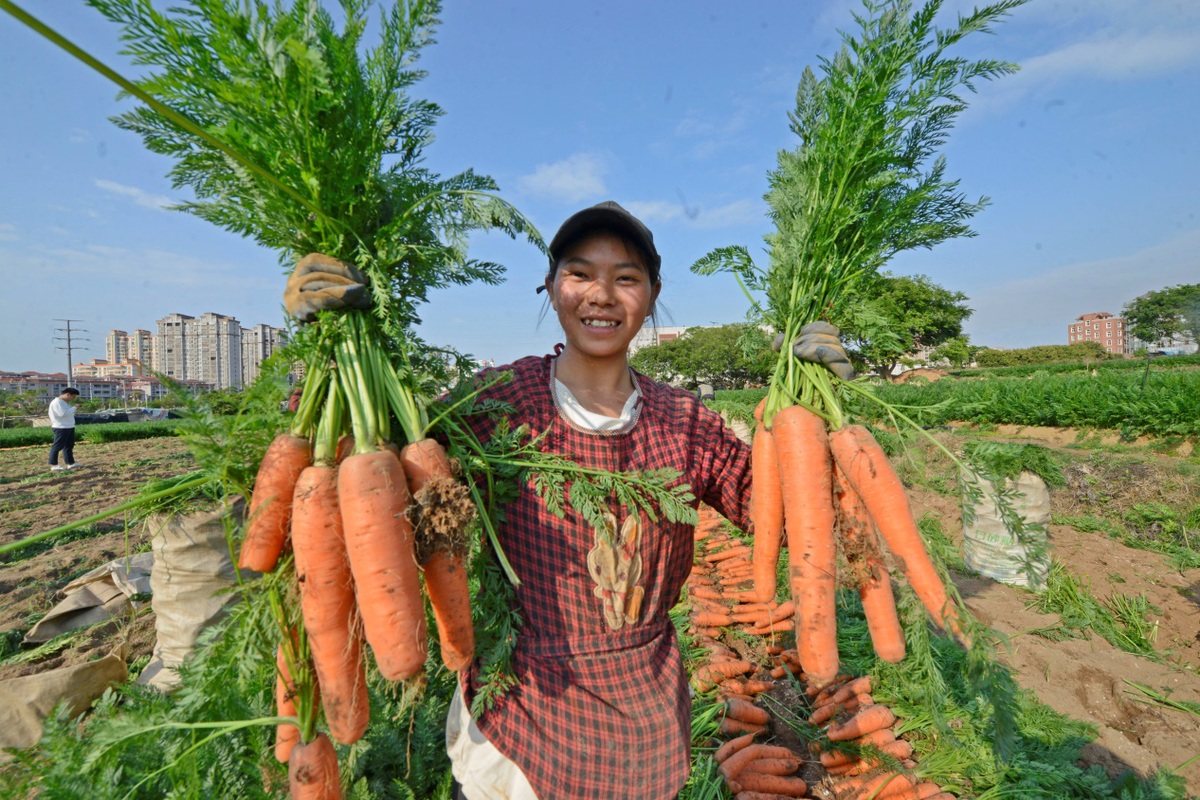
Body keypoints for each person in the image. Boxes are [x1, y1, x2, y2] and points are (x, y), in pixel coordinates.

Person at [283, 201, 852, 800]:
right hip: (513, 722)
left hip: (646, 725)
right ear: (551, 288)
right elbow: (373, 483)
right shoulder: (494, 402)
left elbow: (787, 522)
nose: (601, 294)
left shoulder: (686, 421)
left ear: (653, 296)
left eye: (626, 277)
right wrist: (333, 344)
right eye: (580, 274)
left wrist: (800, 414)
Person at [47, 387, 81, 471]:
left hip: (68, 426)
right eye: (73, 397)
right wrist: (75, 407)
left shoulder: (64, 402)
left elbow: (67, 413)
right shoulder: (57, 402)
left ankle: (70, 463)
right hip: (61, 427)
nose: (73, 399)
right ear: (67, 394)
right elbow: (62, 414)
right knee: (57, 446)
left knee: (68, 446)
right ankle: (54, 465)